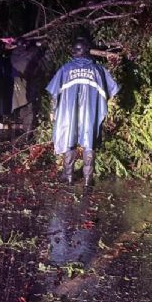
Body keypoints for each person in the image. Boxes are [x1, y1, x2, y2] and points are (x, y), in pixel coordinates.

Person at [46, 37, 120, 189]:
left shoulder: (65, 69)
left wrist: (52, 111)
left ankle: (69, 176)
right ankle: (87, 180)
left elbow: (54, 93)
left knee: (68, 139)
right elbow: (112, 90)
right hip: (90, 113)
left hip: (68, 113)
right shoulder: (98, 70)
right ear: (87, 51)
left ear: (74, 52)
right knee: (89, 143)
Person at [11, 38, 45, 140]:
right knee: (29, 110)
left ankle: (23, 133)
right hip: (29, 86)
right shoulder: (31, 54)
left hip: (17, 89)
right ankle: (27, 136)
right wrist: (36, 44)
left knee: (22, 109)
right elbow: (38, 53)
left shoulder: (13, 55)